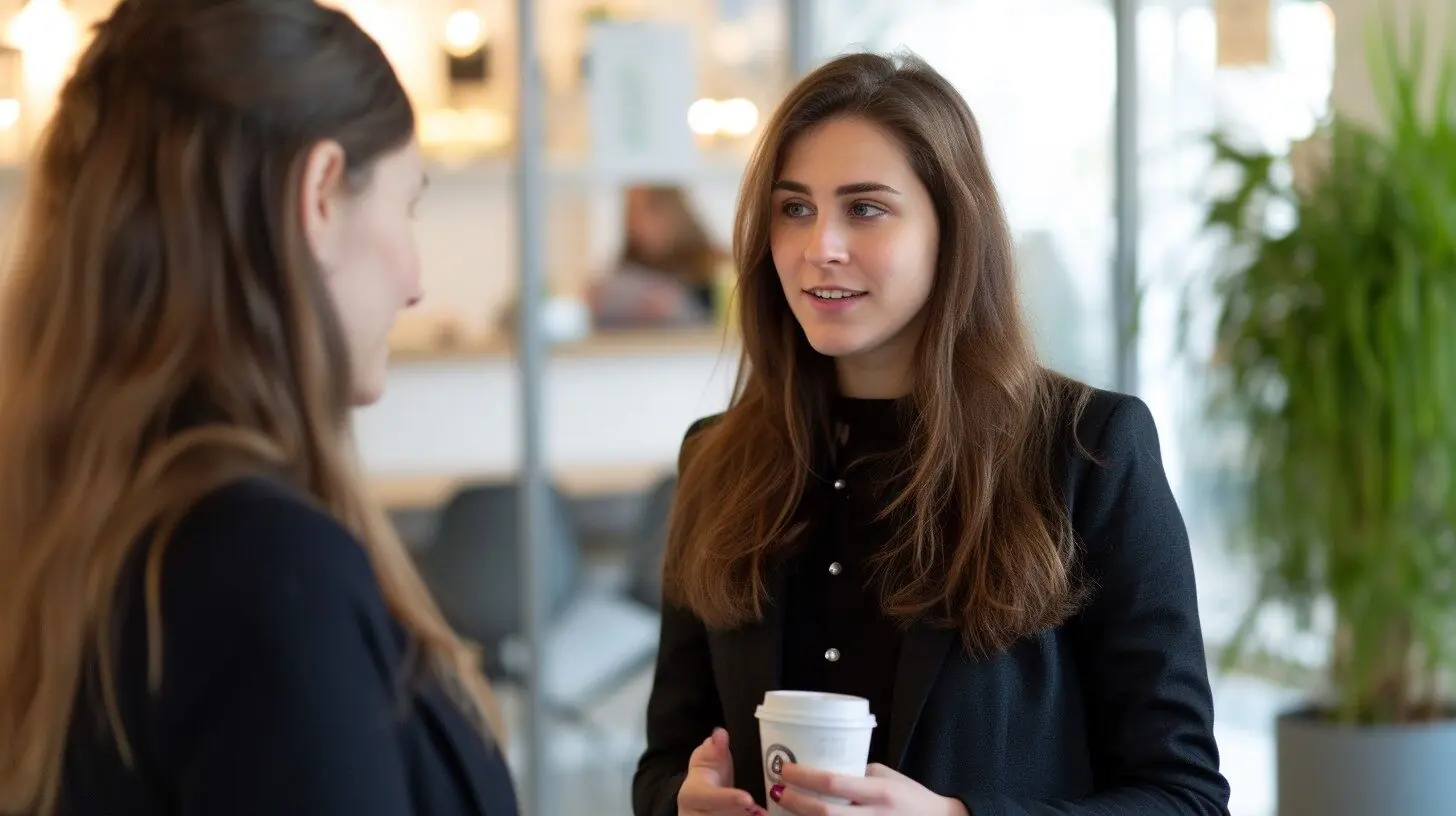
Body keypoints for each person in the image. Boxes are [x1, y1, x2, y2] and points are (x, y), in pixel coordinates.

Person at [632, 52, 1231, 816]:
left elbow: (1185, 797)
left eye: (866, 208)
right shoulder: (717, 458)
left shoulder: (1088, 448)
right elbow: (662, 763)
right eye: (795, 208)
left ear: (953, 229)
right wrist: (679, 805)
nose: (821, 246)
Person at [0, 2, 517, 815]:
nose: (416, 280)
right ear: (318, 194)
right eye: (407, 204)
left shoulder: (84, 525)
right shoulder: (267, 571)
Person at [587, 185, 728, 329]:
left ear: (672, 211)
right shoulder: (622, 273)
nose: (638, 221)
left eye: (649, 209)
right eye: (632, 211)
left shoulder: (713, 265)